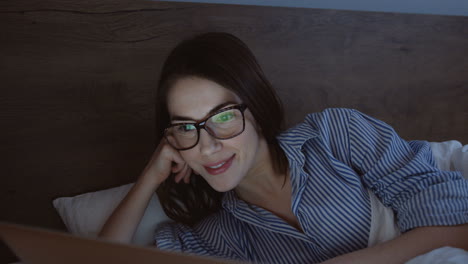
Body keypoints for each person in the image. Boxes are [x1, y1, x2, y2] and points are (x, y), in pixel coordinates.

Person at [99, 32, 468, 263]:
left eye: (223, 117)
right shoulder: (223, 235)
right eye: (186, 127)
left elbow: (459, 224)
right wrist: (148, 179)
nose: (208, 146)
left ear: (256, 110)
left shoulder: (333, 135)